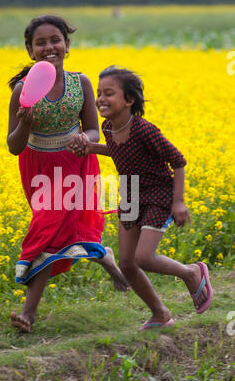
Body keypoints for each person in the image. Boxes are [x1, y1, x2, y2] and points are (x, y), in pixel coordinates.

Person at [68, 66, 213, 330]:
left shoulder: (145, 130)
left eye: (108, 93)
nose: (100, 98)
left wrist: (178, 202)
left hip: (158, 195)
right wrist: (92, 148)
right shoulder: (108, 127)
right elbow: (118, 151)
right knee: (126, 263)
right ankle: (160, 314)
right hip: (131, 195)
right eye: (98, 93)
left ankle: (191, 272)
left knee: (144, 258)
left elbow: (178, 161)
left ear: (129, 100)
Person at [7, 17, 129, 333]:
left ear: (67, 45)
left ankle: (28, 314)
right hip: (39, 170)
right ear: (30, 51)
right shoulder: (22, 90)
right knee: (60, 228)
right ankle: (107, 257)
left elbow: (92, 128)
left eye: (55, 40)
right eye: (41, 42)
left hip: (77, 165)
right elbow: (14, 146)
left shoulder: (82, 83)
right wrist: (26, 123)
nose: (49, 47)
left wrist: (84, 140)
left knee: (48, 230)